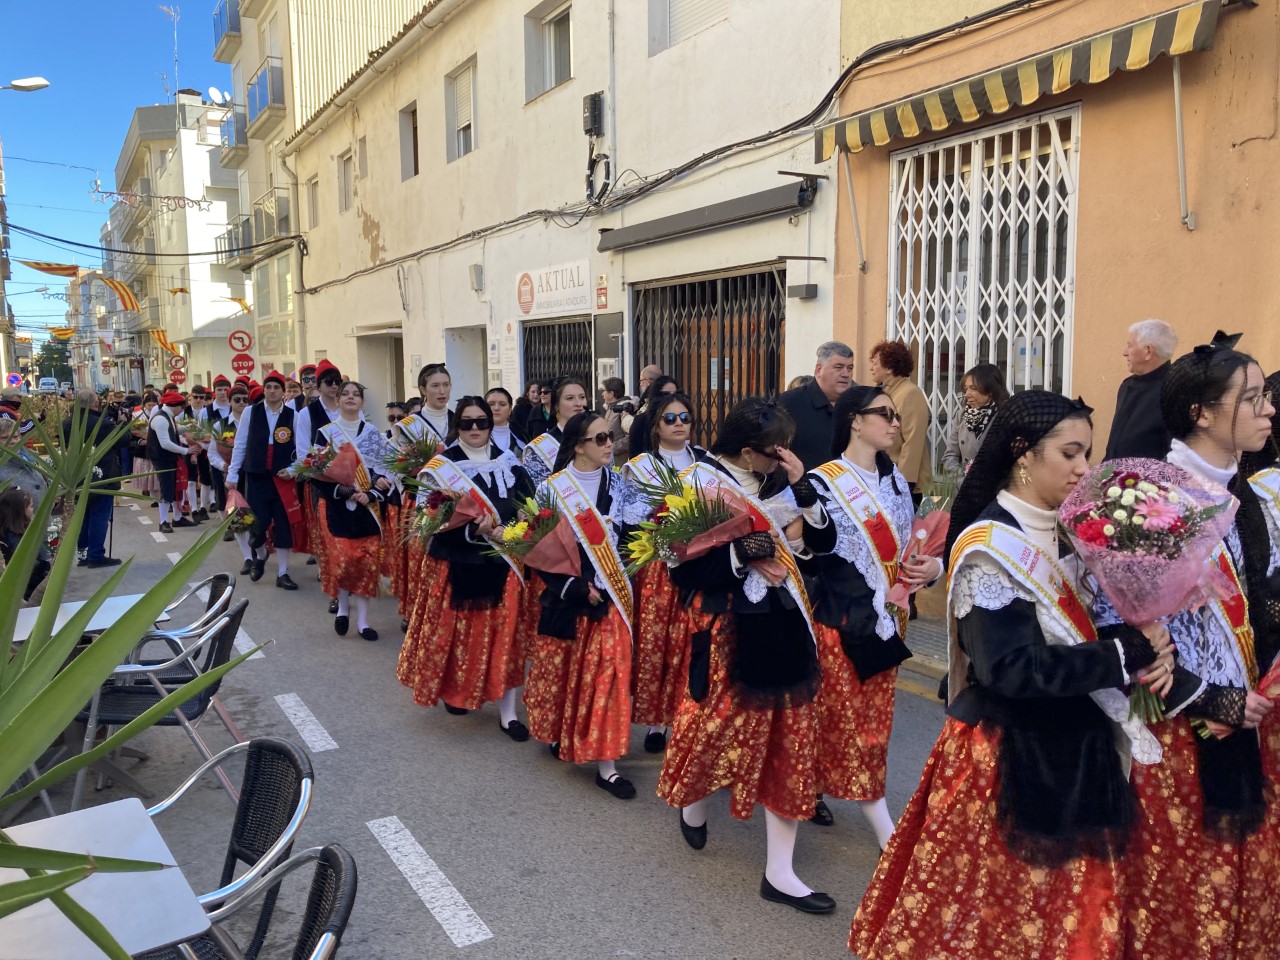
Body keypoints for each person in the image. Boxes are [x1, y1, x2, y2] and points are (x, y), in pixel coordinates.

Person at [848, 390, 1172, 959]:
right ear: (1023, 453)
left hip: (1076, 746)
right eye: (1070, 453)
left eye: (1088, 454)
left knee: (1071, 917)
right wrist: (1123, 654)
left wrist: (1149, 638)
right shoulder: (992, 546)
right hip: (1011, 758)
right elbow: (1009, 670)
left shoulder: (1067, 530)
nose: (1083, 468)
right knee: (998, 915)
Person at [1100, 335, 1276, 960]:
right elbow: (1112, 632)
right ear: (1201, 413)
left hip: (1247, 719)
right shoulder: (1141, 501)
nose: (1267, 410)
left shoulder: (1246, 495)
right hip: (1175, 741)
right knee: (1176, 896)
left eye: (1264, 397)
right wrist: (1211, 698)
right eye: (1251, 399)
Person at [655, 397, 832, 912]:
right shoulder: (695, 486)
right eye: (777, 452)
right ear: (752, 453)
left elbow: (822, 543)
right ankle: (692, 802)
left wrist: (805, 495)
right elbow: (679, 569)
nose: (785, 459)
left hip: (783, 623)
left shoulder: (781, 482)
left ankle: (780, 871)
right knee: (713, 729)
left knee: (790, 740)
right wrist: (738, 553)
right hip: (729, 630)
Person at [802, 385, 937, 845]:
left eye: (896, 415)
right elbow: (812, 555)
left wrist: (922, 569)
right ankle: (874, 819)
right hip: (841, 621)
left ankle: (822, 787)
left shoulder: (897, 481)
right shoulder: (822, 482)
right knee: (842, 720)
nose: (895, 423)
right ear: (855, 420)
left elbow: (903, 546)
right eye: (885, 414)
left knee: (872, 721)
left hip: (887, 621)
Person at [397, 396, 535, 737]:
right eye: (468, 422)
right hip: (458, 562)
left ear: (491, 424)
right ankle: (459, 691)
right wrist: (476, 529)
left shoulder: (510, 463)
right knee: (461, 637)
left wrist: (519, 524)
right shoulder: (442, 467)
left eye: (482, 422)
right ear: (457, 426)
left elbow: (531, 507)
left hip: (504, 564)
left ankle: (508, 713)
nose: (475, 429)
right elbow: (425, 523)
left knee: (507, 637)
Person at [524, 411, 637, 799]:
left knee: (609, 681)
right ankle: (563, 734)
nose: (610, 445)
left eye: (611, 438)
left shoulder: (621, 485)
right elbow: (536, 549)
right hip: (569, 599)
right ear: (578, 446)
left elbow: (633, 537)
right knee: (567, 675)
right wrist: (571, 586)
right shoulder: (553, 489)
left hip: (611, 599)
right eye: (601, 439)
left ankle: (607, 765)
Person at [620, 392, 709, 752]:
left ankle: (691, 720)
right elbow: (631, 521)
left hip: (701, 565)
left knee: (694, 645)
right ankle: (658, 723)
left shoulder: (706, 461)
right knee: (660, 646)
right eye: (670, 418)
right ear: (656, 425)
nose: (679, 424)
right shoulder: (640, 466)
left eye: (685, 417)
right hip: (659, 569)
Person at [313, 381, 391, 640]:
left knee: (367, 563)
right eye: (344, 394)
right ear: (337, 400)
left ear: (362, 403)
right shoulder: (326, 433)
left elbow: (385, 472)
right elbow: (316, 472)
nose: (350, 398)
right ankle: (343, 609)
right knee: (344, 561)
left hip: (367, 508)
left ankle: (364, 622)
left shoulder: (373, 434)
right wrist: (343, 491)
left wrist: (370, 493)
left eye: (355, 394)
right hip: (338, 507)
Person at [226, 371, 303, 590]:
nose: (271, 391)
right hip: (256, 477)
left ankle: (283, 572)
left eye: (276, 387)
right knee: (256, 525)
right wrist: (232, 475)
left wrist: (292, 470)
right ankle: (260, 555)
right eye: (268, 387)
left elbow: (300, 450)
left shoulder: (293, 416)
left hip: (282, 479)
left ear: (283, 392)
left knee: (283, 525)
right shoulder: (251, 412)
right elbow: (240, 444)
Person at [62, 388, 128, 567]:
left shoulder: (67, 423)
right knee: (99, 516)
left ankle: (83, 555)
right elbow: (123, 440)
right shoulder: (102, 423)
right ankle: (96, 555)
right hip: (103, 474)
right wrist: (122, 424)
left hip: (76, 476)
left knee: (83, 516)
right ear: (95, 403)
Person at [1103, 318, 1177, 461]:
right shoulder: (1127, 386)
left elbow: (1173, 452)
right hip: (1114, 477)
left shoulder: (1174, 390)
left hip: (1148, 481)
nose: (1124, 353)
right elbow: (1115, 444)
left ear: (1148, 351)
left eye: (1130, 346)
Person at [778, 341, 856, 471]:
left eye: (850, 368)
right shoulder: (790, 402)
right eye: (838, 367)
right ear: (819, 370)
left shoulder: (857, 405)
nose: (846, 374)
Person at [868, 340, 930, 497]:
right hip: (886, 477)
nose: (871, 368)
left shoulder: (910, 393)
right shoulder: (885, 392)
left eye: (875, 363)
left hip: (904, 482)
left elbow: (913, 440)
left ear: (889, 368)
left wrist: (904, 482)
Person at [206, 384, 254, 575]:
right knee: (238, 517)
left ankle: (259, 549)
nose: (241, 403)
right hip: (233, 477)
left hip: (254, 475)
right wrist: (224, 466)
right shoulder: (220, 425)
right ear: (230, 401)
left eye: (245, 399)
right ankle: (247, 558)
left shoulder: (255, 421)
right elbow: (212, 453)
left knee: (257, 515)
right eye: (237, 400)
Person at [941, 362, 1009, 475]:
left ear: (991, 390)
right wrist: (963, 475)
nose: (967, 394)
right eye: (966, 388)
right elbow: (950, 456)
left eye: (973, 388)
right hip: (965, 485)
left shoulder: (1006, 415)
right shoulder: (962, 415)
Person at [521, 378, 588, 487]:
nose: (579, 403)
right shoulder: (540, 448)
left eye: (582, 397)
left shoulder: (600, 437)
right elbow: (537, 491)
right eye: (570, 398)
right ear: (556, 405)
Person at [147, 391, 196, 534]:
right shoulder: (161, 419)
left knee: (176, 487)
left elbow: (174, 431)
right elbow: (165, 443)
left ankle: (177, 517)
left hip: (169, 458)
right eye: (182, 407)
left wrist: (189, 428)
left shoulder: (168, 416)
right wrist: (186, 451)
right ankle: (163, 522)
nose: (182, 411)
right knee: (167, 488)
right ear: (175, 406)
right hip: (162, 458)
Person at [0, 487, 49, 601]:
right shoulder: (15, 539)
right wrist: (46, 565)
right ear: (19, 511)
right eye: (31, 506)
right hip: (27, 591)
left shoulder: (14, 532)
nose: (33, 509)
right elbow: (27, 564)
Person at [0, 407, 48, 512]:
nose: (12, 441)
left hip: (42, 521)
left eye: (15, 437)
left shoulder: (30, 458)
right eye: (5, 437)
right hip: (13, 525)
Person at [627, 375, 680, 457]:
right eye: (666, 394)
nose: (672, 399)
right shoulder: (641, 420)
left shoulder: (681, 419)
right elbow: (634, 455)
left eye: (675, 394)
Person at [600, 377, 633, 465]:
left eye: (604, 390)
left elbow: (632, 436)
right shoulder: (611, 408)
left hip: (622, 462)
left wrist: (612, 447)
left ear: (611, 393)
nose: (602, 394)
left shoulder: (624, 410)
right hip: (612, 461)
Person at [484, 387, 524, 454]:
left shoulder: (521, 436)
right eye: (491, 404)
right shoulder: (475, 435)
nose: (496, 408)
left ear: (510, 409)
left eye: (502, 404)